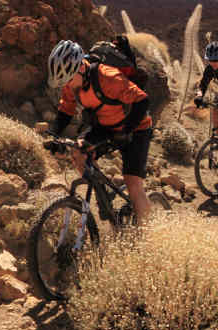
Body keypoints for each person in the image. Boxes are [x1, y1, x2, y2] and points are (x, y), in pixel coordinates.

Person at [45, 38, 154, 223]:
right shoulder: (72, 84)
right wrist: (54, 135)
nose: (69, 85)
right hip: (104, 126)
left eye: (70, 79)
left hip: (136, 128)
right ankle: (104, 198)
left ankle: (145, 235)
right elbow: (66, 110)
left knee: (133, 182)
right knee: (79, 152)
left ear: (81, 67)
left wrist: (126, 131)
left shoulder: (109, 77)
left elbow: (142, 101)